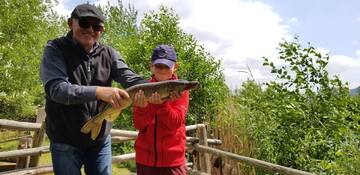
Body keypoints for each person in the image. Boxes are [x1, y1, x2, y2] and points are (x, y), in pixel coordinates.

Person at [40, 4, 147, 175]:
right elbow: (58, 90)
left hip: (100, 140)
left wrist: (152, 89)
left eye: (97, 26)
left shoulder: (110, 54)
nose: (91, 29)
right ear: (70, 23)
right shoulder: (55, 49)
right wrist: (99, 92)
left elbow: (130, 78)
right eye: (84, 23)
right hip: (64, 140)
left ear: (102, 30)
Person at [133, 45, 189, 175]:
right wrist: (142, 109)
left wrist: (161, 105)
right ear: (151, 66)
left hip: (173, 162)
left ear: (175, 67)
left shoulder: (181, 90)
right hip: (145, 161)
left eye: (167, 66)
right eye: (158, 66)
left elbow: (175, 123)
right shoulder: (143, 90)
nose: (163, 70)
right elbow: (139, 125)